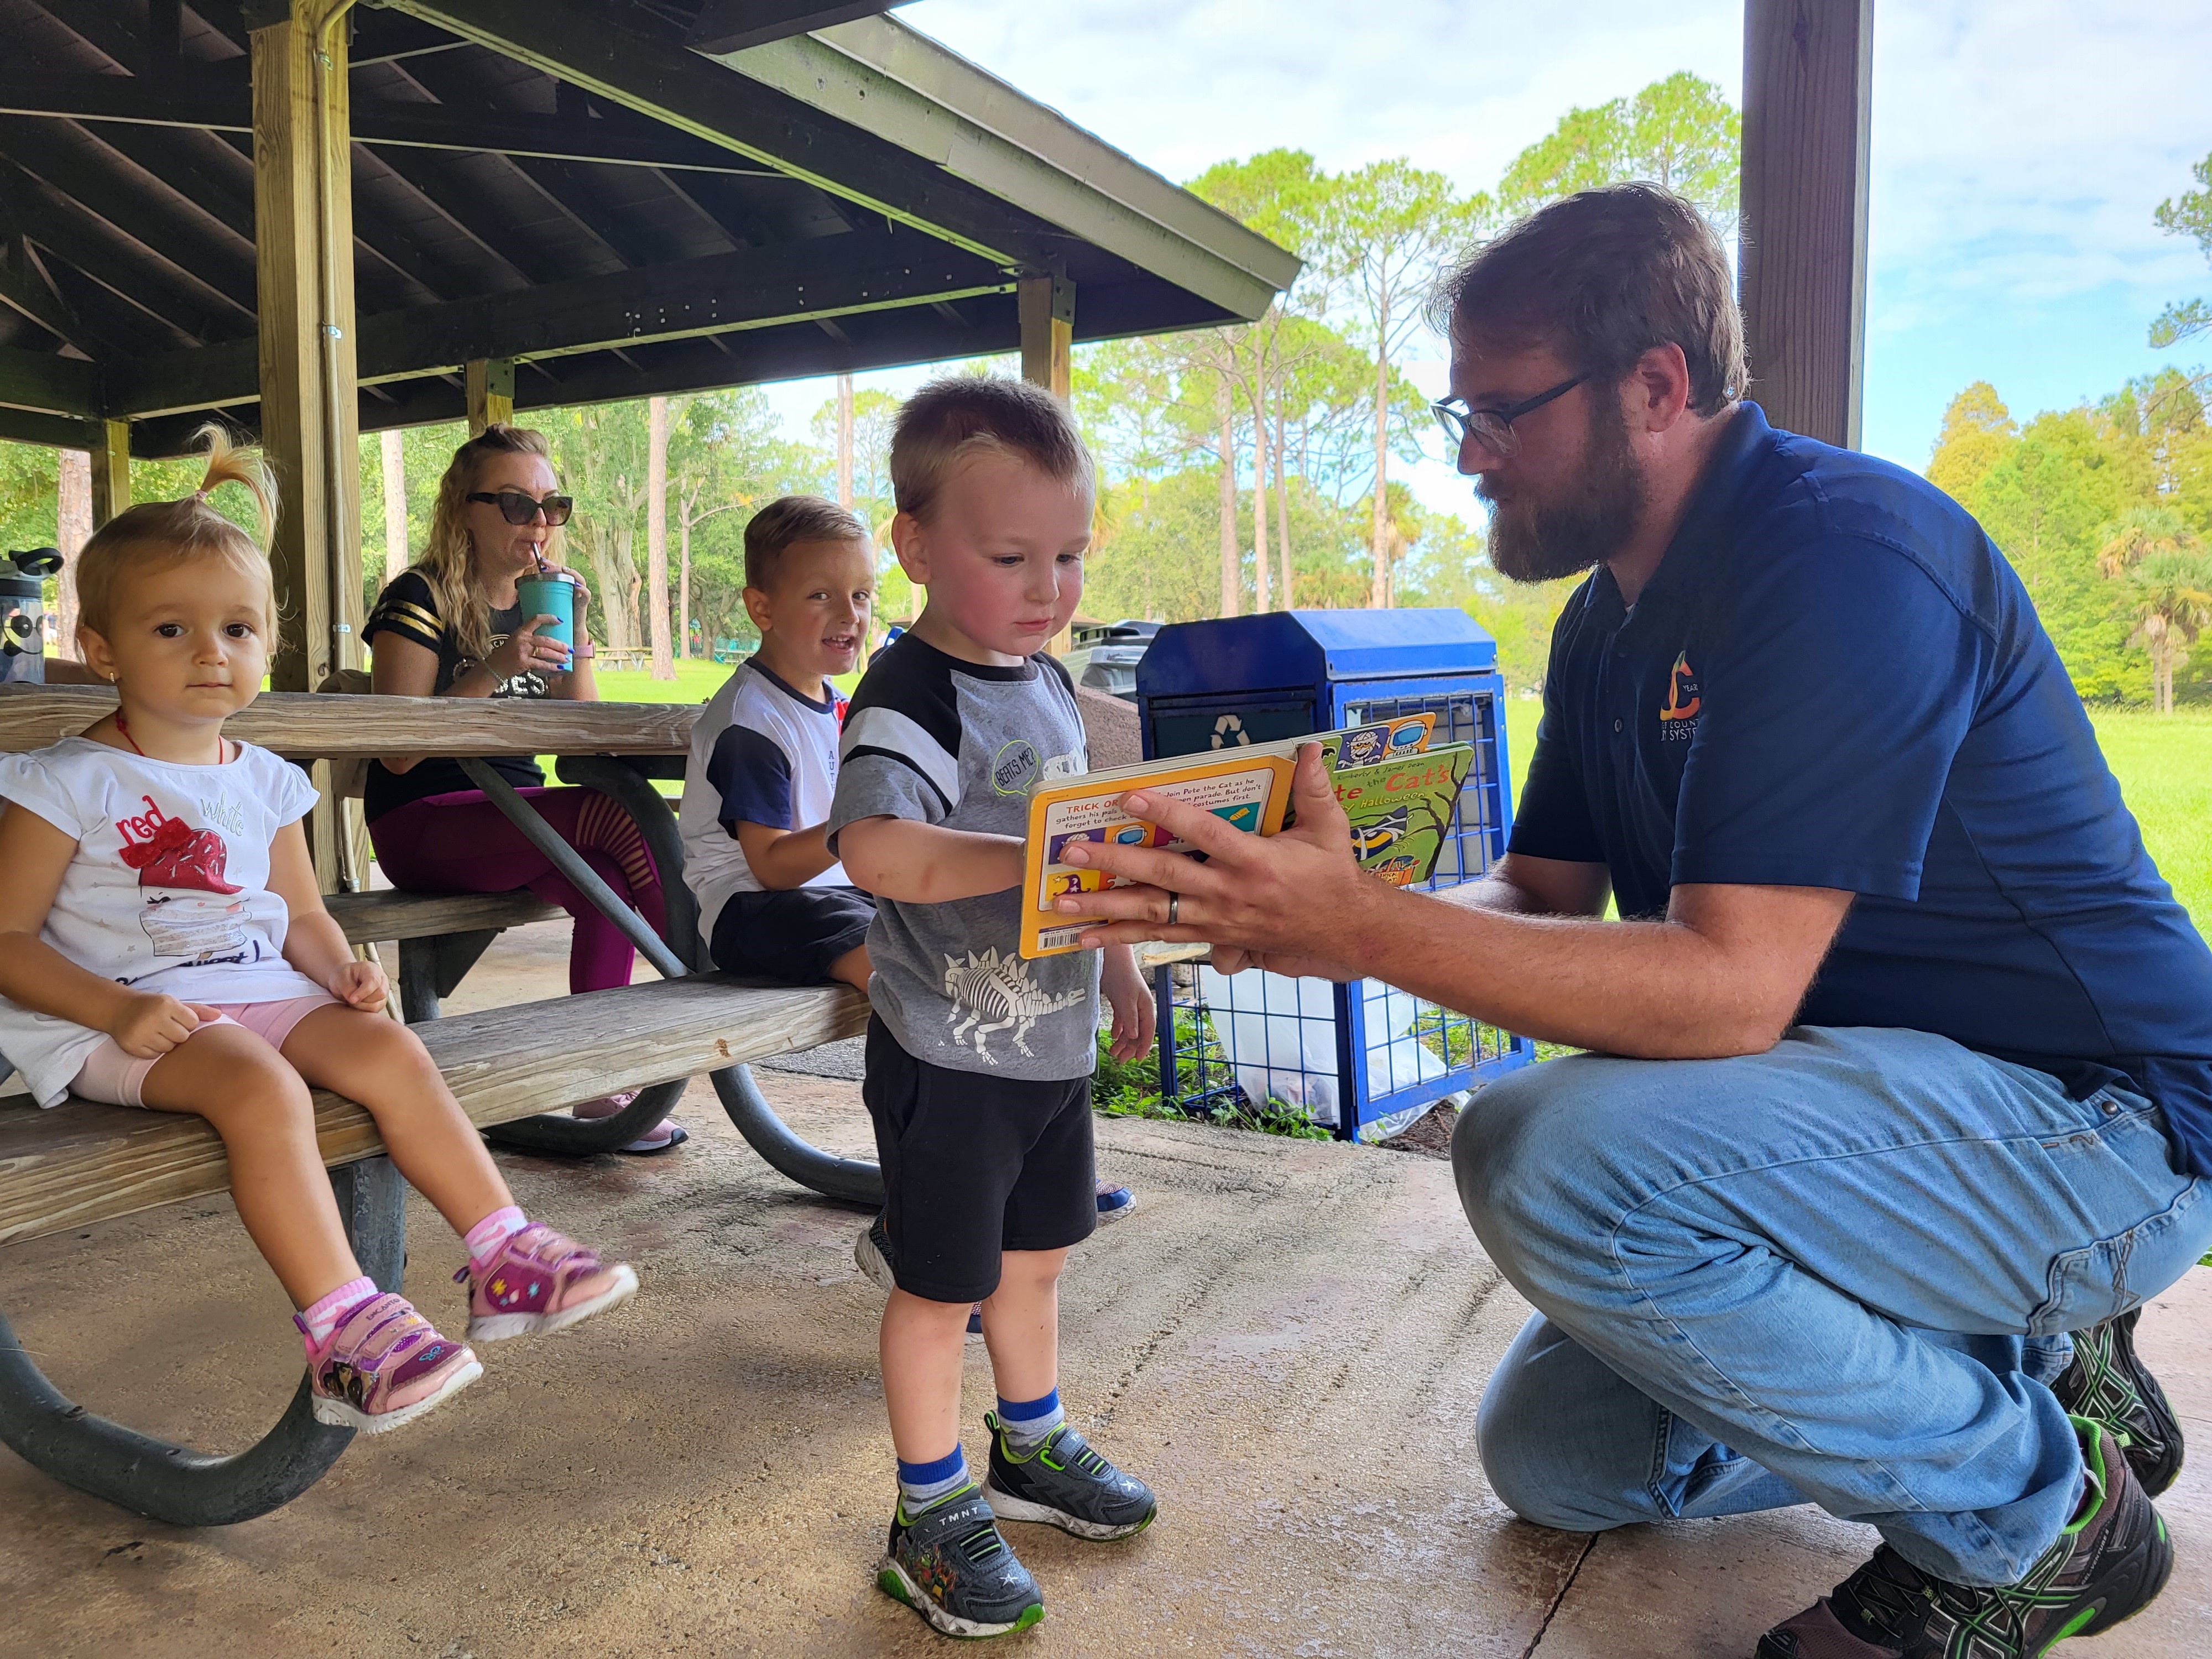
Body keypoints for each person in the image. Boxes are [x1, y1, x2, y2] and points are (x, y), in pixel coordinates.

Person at [1056, 184, 2211, 1658]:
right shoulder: (1609, 618)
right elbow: (1539, 900)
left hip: (2099, 1127)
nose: (1467, 456)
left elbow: (1729, 996)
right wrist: (1296, 899)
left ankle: (2040, 1518)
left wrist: (1359, 930)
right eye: (1455, 410)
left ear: (1655, 385)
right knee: (1558, 1465)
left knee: (1545, 1154)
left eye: (1501, 412)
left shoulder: (1841, 557)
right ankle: (2028, 1363)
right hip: (1872, 1127)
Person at [0, 430, 637, 1434]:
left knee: (390, 1047)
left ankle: (505, 1252)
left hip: (259, 990)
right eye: (172, 630)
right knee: (262, 1086)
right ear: (103, 647)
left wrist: (342, 971)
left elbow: (298, 914)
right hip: (115, 1021)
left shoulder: (263, 778)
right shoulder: (63, 782)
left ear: (267, 643)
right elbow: (7, 941)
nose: (213, 652)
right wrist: (115, 1010)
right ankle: (345, 1331)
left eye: (240, 629)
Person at [826, 378, 1159, 1639]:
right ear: (913, 545)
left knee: (1036, 1261)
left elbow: (1084, 850)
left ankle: (1030, 1445)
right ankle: (927, 1512)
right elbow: (877, 852)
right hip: (946, 1052)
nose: (1048, 585)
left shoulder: (1052, 685)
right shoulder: (912, 689)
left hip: (1046, 1046)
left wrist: (1116, 957)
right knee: (937, 1287)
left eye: (1067, 554)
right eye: (1010, 554)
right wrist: (1025, 854)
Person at [364, 423, 682, 1154]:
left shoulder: (552, 595)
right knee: (612, 818)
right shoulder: (419, 597)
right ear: (464, 509)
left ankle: (598, 1082)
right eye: (515, 504)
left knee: (607, 878)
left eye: (551, 506)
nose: (539, 523)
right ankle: (709, 967)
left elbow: (585, 733)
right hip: (425, 823)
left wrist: (580, 644)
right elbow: (395, 752)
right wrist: (495, 668)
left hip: (518, 817)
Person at [681, 495, 879, 994]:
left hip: (833, 895)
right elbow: (770, 867)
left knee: (936, 912)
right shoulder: (751, 722)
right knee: (889, 954)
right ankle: (918, 1032)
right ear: (762, 608)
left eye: (861, 594)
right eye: (821, 596)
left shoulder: (839, 705)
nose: (850, 614)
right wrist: (860, 826)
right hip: (753, 909)